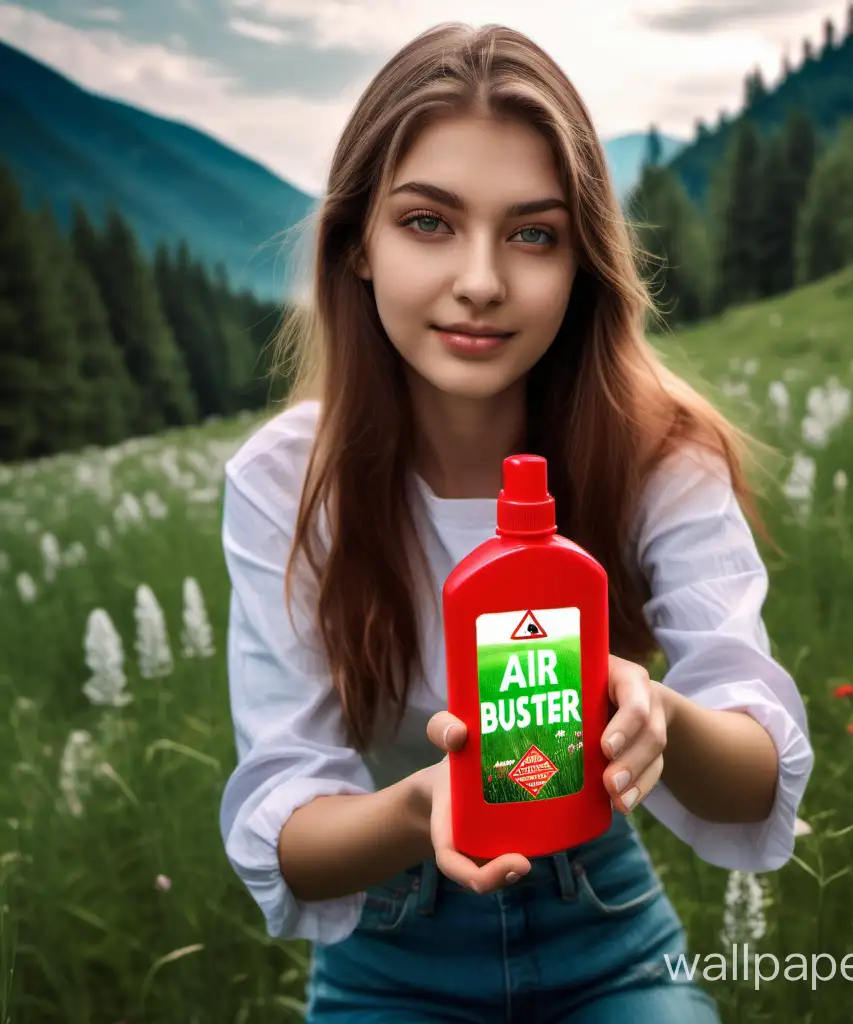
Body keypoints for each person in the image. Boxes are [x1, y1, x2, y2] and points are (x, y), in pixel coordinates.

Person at [218, 21, 814, 1024]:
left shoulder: (658, 447)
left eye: (533, 234)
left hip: (608, 932)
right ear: (357, 243)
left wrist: (658, 717)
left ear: (583, 261)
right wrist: (422, 804)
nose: (483, 280)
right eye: (428, 222)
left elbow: (758, 776)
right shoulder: (290, 480)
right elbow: (285, 821)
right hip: (387, 960)